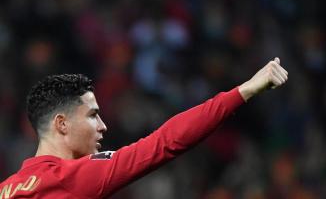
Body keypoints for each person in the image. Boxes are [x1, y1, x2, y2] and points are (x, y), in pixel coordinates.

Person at [0, 57, 288, 198]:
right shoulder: (72, 177)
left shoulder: (6, 189)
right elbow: (164, 143)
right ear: (61, 124)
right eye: (92, 116)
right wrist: (245, 91)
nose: (103, 126)